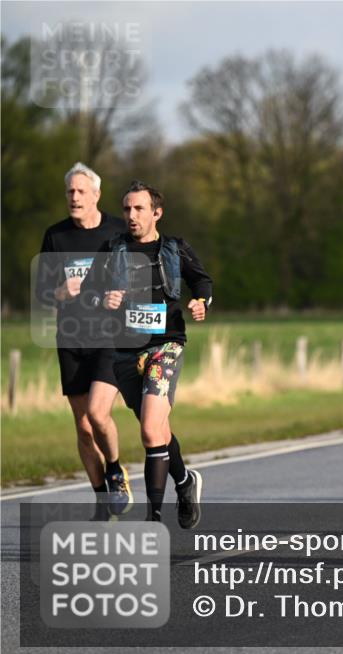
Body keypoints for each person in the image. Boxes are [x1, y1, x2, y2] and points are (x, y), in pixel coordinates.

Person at [82, 181, 211, 527]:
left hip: (166, 344)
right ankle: (185, 482)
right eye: (126, 209)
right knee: (158, 430)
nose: (131, 216)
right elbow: (88, 293)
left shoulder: (174, 248)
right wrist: (101, 299)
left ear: (157, 212)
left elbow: (202, 282)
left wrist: (201, 302)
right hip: (125, 351)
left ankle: (154, 520)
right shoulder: (112, 250)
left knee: (151, 431)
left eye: (139, 209)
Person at [36, 163, 130, 520]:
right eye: (69, 192)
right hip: (71, 339)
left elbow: (137, 276)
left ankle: (117, 470)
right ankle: (103, 502)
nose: (74, 197)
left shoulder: (117, 232)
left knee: (98, 413)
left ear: (96, 194)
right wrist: (59, 291)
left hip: (110, 338)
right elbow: (42, 292)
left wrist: (121, 295)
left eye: (80, 191)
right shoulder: (55, 236)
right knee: (83, 426)